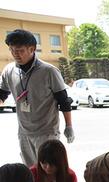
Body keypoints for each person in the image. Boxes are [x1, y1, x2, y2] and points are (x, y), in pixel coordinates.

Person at [0, 29, 74, 167]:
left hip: (47, 132)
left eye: (20, 50)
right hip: (24, 132)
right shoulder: (9, 71)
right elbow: (2, 94)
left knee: (50, 170)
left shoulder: (49, 71)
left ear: (32, 49)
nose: (15, 54)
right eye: (12, 50)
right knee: (31, 171)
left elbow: (63, 101)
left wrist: (69, 126)